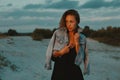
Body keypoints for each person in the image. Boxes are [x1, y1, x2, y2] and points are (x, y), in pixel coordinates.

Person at [45, 9, 89, 80]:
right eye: (66, 21)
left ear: (77, 22)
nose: (69, 24)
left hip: (75, 75)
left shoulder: (82, 38)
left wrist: (77, 43)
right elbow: (52, 56)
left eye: (71, 21)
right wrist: (61, 52)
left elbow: (80, 60)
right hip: (59, 74)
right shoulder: (58, 34)